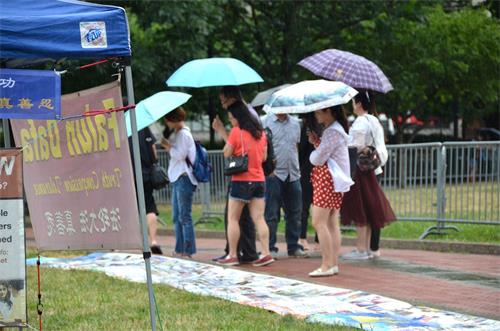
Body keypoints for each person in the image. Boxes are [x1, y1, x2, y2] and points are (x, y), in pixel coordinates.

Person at [212, 100, 274, 267]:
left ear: (238, 117)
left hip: (240, 180)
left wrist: (225, 138)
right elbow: (264, 158)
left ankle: (232, 254)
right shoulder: (261, 134)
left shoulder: (236, 132)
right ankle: (266, 253)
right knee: (259, 218)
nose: (231, 121)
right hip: (259, 179)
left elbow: (227, 153)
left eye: (232, 118)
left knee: (233, 219)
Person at [341, 91, 396, 260]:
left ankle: (361, 249)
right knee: (372, 208)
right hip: (374, 168)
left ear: (358, 104)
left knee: (361, 209)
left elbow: (356, 145)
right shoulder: (374, 120)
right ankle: (371, 249)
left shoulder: (360, 122)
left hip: (361, 170)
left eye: (353, 102)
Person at [307, 105, 351, 277]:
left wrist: (315, 148)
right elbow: (327, 152)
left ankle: (327, 264)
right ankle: (332, 263)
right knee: (332, 222)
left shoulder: (332, 132)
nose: (316, 114)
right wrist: (317, 142)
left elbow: (318, 158)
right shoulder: (335, 130)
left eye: (319, 111)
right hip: (334, 180)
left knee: (319, 222)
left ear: (329, 111)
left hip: (327, 179)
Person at [262, 112, 307, 258]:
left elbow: (296, 146)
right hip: (274, 174)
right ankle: (270, 247)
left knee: (295, 213)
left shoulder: (295, 123)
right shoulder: (265, 122)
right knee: (271, 213)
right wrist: (268, 170)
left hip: (293, 174)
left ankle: (293, 246)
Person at [161, 107, 198, 257]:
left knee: (184, 216)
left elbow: (180, 155)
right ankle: (180, 248)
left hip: (183, 178)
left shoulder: (183, 134)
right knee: (178, 216)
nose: (167, 124)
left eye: (168, 121)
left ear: (173, 120)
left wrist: (168, 147)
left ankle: (187, 249)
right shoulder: (180, 134)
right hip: (179, 178)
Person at [130, 127, 162, 255]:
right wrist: (154, 162)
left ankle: (137, 242)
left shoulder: (123, 127)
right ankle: (153, 240)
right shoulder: (143, 127)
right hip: (146, 175)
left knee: (132, 209)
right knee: (150, 208)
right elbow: (153, 149)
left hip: (130, 175)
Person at [298, 113, 322, 251]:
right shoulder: (323, 126)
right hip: (320, 170)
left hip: (306, 170)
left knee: (305, 206)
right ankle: (319, 240)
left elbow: (301, 150)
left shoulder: (305, 127)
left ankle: (302, 238)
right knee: (320, 205)